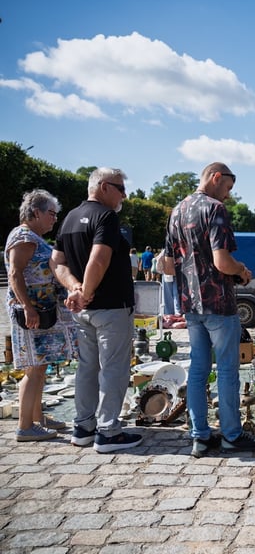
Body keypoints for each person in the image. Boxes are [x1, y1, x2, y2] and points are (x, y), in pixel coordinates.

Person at [163, 162, 255, 458]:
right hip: (218, 302)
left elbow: (169, 265)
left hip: (190, 303)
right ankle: (232, 434)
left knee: (197, 370)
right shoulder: (214, 209)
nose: (229, 195)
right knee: (226, 370)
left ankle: (200, 435)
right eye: (228, 187)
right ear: (216, 178)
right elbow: (223, 262)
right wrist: (242, 271)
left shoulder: (177, 211)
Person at [52, 167, 143, 453]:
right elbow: (99, 258)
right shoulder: (106, 216)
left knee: (87, 368)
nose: (124, 195)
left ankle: (83, 426)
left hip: (83, 310)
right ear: (103, 186)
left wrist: (74, 289)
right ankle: (108, 431)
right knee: (113, 368)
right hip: (111, 306)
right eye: (120, 188)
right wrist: (85, 292)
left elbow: (57, 262)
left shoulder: (69, 218)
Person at [5, 190, 77, 442]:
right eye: (51, 214)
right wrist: (27, 306)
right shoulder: (24, 236)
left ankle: (37, 418)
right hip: (33, 313)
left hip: (40, 311)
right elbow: (15, 273)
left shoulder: (31, 236)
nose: (54, 219)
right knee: (33, 368)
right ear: (36, 212)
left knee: (40, 365)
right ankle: (25, 426)